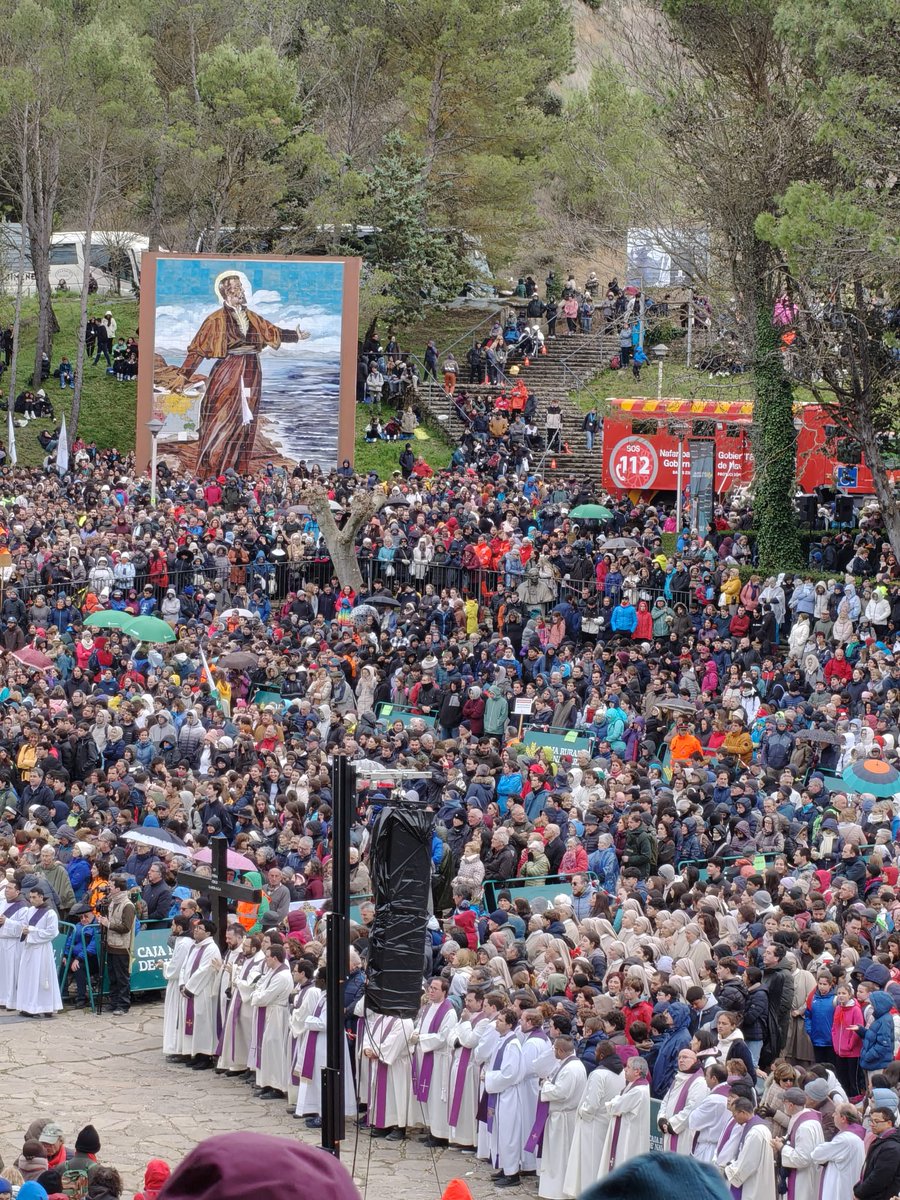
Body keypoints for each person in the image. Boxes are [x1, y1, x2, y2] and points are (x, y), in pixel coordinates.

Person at [171, 272, 308, 476]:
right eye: (238, 287)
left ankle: (237, 469)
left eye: (242, 287)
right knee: (222, 418)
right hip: (228, 370)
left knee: (246, 420)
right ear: (227, 291)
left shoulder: (251, 316)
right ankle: (212, 469)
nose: (242, 291)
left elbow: (272, 331)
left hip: (251, 370)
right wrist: (184, 375)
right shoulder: (215, 319)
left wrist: (295, 335)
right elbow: (198, 350)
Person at [534, 1035, 587, 1199]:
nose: (553, 1052)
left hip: (564, 1117)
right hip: (560, 1115)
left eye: (554, 1049)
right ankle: (552, 1188)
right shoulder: (568, 1064)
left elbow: (561, 1092)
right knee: (556, 1154)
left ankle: (558, 1191)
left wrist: (545, 1084)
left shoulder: (572, 1068)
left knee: (559, 1156)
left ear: (561, 1050)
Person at [408, 975, 458, 1146]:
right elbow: (420, 1025)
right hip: (424, 1055)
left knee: (438, 1096)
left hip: (438, 1059)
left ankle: (440, 1135)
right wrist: (415, 1033)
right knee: (429, 1095)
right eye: (430, 987)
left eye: (435, 989)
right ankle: (431, 1129)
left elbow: (443, 1038)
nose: (430, 991)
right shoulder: (428, 1007)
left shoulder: (449, 1012)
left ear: (444, 991)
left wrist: (420, 1038)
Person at [483, 1007, 525, 1188]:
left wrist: (489, 1077)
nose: (497, 1022)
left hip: (508, 1095)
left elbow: (510, 1074)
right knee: (501, 1133)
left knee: (509, 1134)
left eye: (500, 1020)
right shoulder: (503, 1040)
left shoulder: (512, 1045)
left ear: (509, 1024)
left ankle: (512, 1174)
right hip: (500, 1094)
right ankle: (504, 1167)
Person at [177, 917, 222, 1068]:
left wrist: (189, 989)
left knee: (203, 1023)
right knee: (191, 1023)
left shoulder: (211, 948)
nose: (195, 930)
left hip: (202, 991)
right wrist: (182, 983)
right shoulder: (194, 946)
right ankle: (194, 1053)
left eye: (199, 928)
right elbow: (184, 967)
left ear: (208, 933)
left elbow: (205, 971)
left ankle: (205, 1056)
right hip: (189, 990)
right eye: (196, 928)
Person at [599, 1056, 651, 1180]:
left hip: (628, 1134)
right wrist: (615, 1102)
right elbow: (618, 1101)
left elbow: (615, 1107)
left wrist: (613, 1103)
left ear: (637, 1071)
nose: (625, 1069)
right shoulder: (633, 1086)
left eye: (628, 1067)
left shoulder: (638, 1090)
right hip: (625, 1129)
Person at [16, 884, 63, 1017]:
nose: (31, 900)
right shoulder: (30, 910)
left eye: (34, 897)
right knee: (28, 978)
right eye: (30, 897)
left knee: (42, 978)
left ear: (41, 897)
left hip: (42, 950)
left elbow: (52, 932)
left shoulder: (50, 913)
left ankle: (45, 1007)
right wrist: (24, 929)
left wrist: (31, 930)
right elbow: (24, 924)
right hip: (29, 948)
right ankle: (28, 1006)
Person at [773, 1087, 823, 1200]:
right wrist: (783, 1140)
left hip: (802, 1178)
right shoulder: (802, 1116)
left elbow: (803, 1158)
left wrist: (782, 1148)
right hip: (805, 1174)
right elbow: (793, 1137)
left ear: (790, 1105)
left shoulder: (805, 1127)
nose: (783, 1104)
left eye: (784, 1102)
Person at [723, 1096, 777, 1200]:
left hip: (753, 1184)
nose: (734, 1119)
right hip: (759, 1179)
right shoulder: (759, 1127)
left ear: (742, 1112)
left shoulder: (755, 1132)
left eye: (734, 1115)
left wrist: (729, 1170)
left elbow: (747, 1163)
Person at [97, 873, 135, 1015]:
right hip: (111, 944)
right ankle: (114, 1002)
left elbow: (126, 927)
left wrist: (108, 924)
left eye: (111, 886)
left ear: (118, 889)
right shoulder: (112, 902)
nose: (109, 889)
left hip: (121, 946)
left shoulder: (127, 905)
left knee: (122, 977)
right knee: (112, 976)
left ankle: (123, 1004)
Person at [811, 1104, 866, 1200]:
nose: (832, 1115)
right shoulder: (855, 1134)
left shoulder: (845, 1139)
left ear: (843, 1118)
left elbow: (817, 1154)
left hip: (841, 1187)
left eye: (835, 1113)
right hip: (850, 1181)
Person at [853, 1107, 900, 1200]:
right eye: (871, 1120)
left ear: (889, 1123)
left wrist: (859, 1193)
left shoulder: (891, 1147)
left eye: (876, 1121)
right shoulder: (883, 1140)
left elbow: (879, 1178)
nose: (872, 1124)